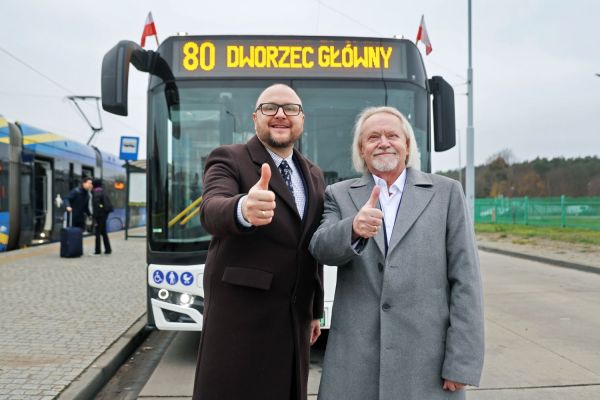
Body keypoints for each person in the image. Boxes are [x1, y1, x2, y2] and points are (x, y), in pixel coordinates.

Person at [309, 106, 484, 400]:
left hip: (427, 364)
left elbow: (466, 282)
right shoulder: (338, 194)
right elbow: (320, 248)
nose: (383, 142)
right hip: (355, 364)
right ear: (361, 150)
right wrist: (352, 228)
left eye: (392, 135)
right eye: (373, 137)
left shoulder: (447, 193)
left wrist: (462, 362)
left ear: (407, 146)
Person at [192, 84, 326, 400]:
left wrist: (314, 310)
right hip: (241, 320)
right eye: (270, 108)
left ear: (302, 120)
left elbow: (311, 246)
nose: (280, 114)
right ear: (255, 118)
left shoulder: (314, 173)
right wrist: (242, 208)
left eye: (290, 108)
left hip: (294, 319)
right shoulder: (229, 158)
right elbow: (211, 208)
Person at [91, 178, 113, 255]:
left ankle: (97, 251)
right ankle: (108, 249)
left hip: (99, 216)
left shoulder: (96, 193)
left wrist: (95, 218)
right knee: (103, 232)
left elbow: (96, 206)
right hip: (104, 215)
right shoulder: (103, 191)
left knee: (97, 233)